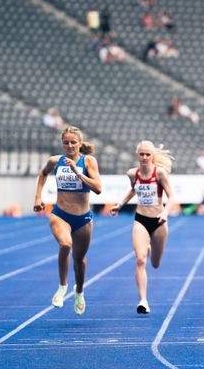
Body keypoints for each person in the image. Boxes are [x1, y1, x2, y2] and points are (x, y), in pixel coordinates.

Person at [33, 126, 102, 315]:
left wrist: (78, 172)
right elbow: (43, 174)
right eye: (66, 142)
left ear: (80, 144)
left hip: (83, 218)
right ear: (62, 144)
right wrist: (38, 198)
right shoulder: (56, 161)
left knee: (79, 260)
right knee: (65, 244)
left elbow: (98, 188)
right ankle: (62, 286)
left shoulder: (88, 161)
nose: (69, 145)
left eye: (73, 142)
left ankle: (79, 291)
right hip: (60, 214)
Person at [110, 141, 175, 314]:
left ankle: (151, 246)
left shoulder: (159, 173)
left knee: (155, 263)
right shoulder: (132, 174)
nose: (145, 157)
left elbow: (172, 195)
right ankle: (143, 300)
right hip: (140, 219)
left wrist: (165, 213)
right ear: (137, 155)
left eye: (148, 154)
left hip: (159, 221)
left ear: (152, 155)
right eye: (142, 154)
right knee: (140, 259)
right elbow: (133, 190)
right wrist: (120, 204)